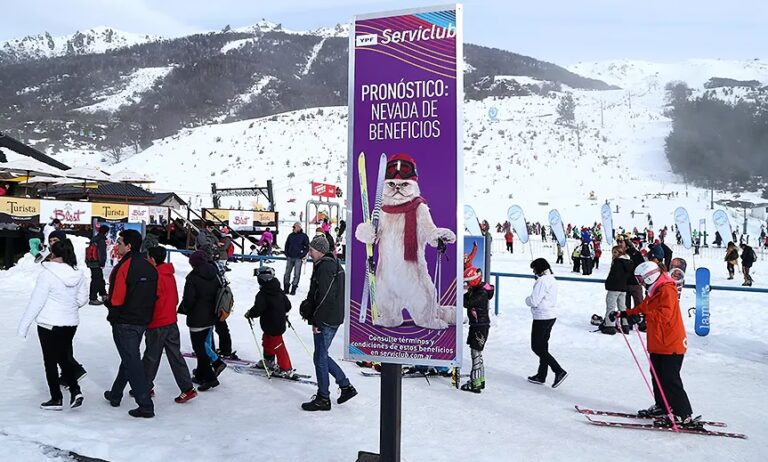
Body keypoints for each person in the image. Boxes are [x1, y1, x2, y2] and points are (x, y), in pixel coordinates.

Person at [611, 262, 700, 429]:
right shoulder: (655, 289)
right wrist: (625, 313)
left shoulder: (667, 289)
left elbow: (665, 314)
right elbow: (644, 307)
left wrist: (643, 319)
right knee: (657, 376)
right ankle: (663, 406)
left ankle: (683, 414)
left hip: (671, 342)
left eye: (641, 280)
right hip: (658, 341)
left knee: (670, 379)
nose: (640, 283)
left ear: (649, 276)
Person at [18, 239, 88, 410]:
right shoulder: (77, 274)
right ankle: (75, 389)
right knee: (63, 357)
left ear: (54, 254)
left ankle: (56, 398)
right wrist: (68, 306)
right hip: (70, 323)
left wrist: (23, 327)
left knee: (50, 361)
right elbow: (82, 299)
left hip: (49, 323)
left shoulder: (47, 274)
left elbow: (36, 302)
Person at [103, 230, 159, 418]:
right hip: (142, 319)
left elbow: (117, 299)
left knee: (132, 361)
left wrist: (109, 304)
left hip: (124, 320)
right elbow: (156, 294)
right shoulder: (149, 265)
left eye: (119, 242)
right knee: (130, 357)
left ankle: (145, 404)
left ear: (129, 246)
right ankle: (116, 393)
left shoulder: (124, 266)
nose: (116, 245)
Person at [301, 235, 356, 411]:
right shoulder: (331, 264)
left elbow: (325, 296)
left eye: (311, 250)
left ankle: (324, 397)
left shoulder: (325, 267)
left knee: (320, 358)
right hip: (332, 316)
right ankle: (345, 386)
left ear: (319, 250)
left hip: (326, 319)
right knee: (321, 355)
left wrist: (317, 320)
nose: (309, 253)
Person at [141, 247, 197, 404]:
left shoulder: (155, 276)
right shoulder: (168, 274)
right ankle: (187, 388)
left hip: (157, 322)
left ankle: (145, 386)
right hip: (171, 320)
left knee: (151, 356)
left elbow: (150, 300)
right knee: (175, 355)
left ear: (152, 259)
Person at [178, 250, 222, 392]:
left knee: (200, 348)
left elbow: (189, 300)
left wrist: (183, 309)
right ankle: (201, 373)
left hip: (197, 317)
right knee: (205, 344)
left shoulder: (192, 277)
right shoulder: (214, 273)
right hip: (211, 315)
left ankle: (210, 378)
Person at [245, 267, 295, 378]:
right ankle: (269, 360)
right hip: (274, 323)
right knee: (267, 341)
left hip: (273, 325)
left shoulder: (262, 294)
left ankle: (285, 368)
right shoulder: (279, 291)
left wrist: (250, 313)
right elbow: (288, 305)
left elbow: (258, 309)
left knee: (278, 345)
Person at [525, 258, 567, 388]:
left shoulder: (542, 281)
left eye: (534, 269)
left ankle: (558, 370)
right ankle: (541, 374)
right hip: (550, 315)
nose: (533, 272)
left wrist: (527, 300)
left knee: (536, 347)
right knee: (543, 347)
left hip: (542, 316)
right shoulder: (551, 279)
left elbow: (534, 300)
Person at [461, 266, 493, 393]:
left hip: (480, 327)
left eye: (468, 282)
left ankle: (476, 383)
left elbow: (466, 303)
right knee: (477, 353)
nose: (467, 284)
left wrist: (464, 293)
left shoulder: (481, 293)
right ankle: (480, 379)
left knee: (476, 354)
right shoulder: (478, 289)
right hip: (477, 325)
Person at [601, 246, 633, 335]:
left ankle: (609, 326)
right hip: (623, 288)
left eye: (615, 252)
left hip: (614, 287)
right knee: (622, 307)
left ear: (620, 252)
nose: (613, 254)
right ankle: (625, 325)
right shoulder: (628, 262)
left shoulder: (618, 262)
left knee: (611, 306)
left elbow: (614, 276)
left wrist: (608, 284)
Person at [283, 222, 310, 295]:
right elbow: (286, 245)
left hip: (298, 258)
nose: (293, 229)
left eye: (294, 227)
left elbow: (307, 247)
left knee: (297, 274)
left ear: (298, 227)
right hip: (290, 257)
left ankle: (293, 288)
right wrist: (287, 253)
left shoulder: (304, 236)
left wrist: (302, 255)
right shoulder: (290, 236)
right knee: (287, 273)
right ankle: (286, 288)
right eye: (293, 227)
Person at [86, 225, 109, 305]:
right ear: (106, 232)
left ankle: (103, 294)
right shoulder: (101, 240)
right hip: (97, 262)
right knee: (96, 280)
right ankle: (93, 298)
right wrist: (102, 262)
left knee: (99, 278)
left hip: (92, 261)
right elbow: (101, 253)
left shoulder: (94, 238)